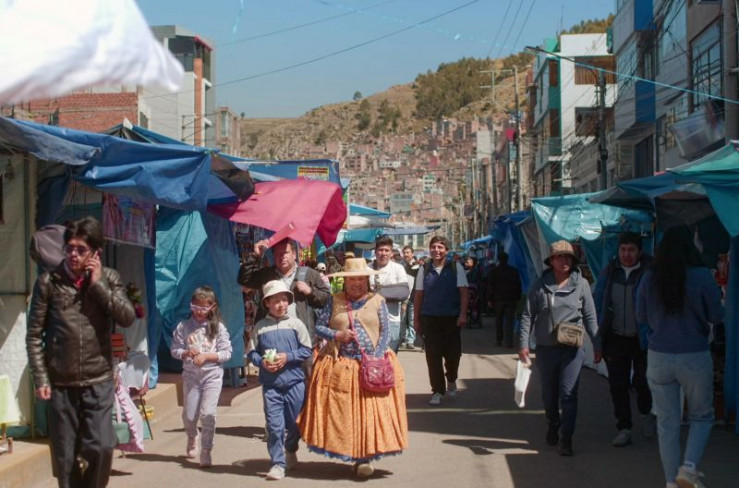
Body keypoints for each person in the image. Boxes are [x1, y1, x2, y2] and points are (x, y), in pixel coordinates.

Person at [27, 217, 135, 488]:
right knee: (65, 458)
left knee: (101, 446)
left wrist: (98, 285)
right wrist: (41, 378)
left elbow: (126, 317)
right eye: (69, 248)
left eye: (81, 249)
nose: (73, 254)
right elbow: (34, 334)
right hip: (61, 383)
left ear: (96, 253)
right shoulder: (49, 282)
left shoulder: (109, 278)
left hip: (98, 381)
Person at [298, 258, 408, 478]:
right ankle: (355, 454)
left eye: (361, 279)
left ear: (367, 280)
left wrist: (376, 358)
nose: (356, 283)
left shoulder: (378, 300)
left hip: (371, 367)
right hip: (342, 366)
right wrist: (337, 334)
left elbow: (385, 331)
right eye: (352, 280)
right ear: (345, 282)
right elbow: (319, 326)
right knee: (347, 415)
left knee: (369, 413)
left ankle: (364, 459)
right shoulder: (335, 300)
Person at [636, 227, 723, 488]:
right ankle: (689, 468)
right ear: (691, 246)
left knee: (667, 423)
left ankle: (671, 482)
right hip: (694, 355)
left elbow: (641, 316)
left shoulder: (649, 277)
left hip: (659, 356)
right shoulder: (701, 275)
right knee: (701, 416)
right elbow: (716, 315)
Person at [518, 240, 600, 457]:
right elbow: (527, 315)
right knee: (549, 394)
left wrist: (598, 345)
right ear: (551, 260)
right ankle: (553, 423)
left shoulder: (581, 284)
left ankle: (567, 438)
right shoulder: (540, 285)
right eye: (559, 257)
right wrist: (523, 344)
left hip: (572, 350)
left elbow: (590, 317)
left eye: (568, 257)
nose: (564, 261)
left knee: (569, 394)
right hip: (546, 349)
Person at [593, 232, 654, 448]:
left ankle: (646, 411)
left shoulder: (649, 272)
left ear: (639, 252)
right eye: (623, 250)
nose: (627, 254)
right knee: (618, 386)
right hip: (615, 338)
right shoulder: (610, 272)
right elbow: (598, 301)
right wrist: (598, 335)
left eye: (631, 250)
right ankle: (624, 428)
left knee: (643, 381)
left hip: (642, 339)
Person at [247, 281, 312, 480]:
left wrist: (288, 357)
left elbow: (307, 350)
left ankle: (290, 448)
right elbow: (252, 352)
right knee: (274, 426)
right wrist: (262, 362)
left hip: (295, 383)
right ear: (267, 303)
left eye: (284, 300)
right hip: (271, 386)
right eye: (275, 301)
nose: (280, 304)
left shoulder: (297, 324)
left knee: (295, 423)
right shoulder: (260, 327)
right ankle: (277, 463)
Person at [238, 238, 331, 374]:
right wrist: (254, 256)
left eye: (285, 253)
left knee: (305, 381)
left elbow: (327, 298)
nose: (282, 257)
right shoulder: (267, 275)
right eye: (278, 254)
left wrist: (310, 292)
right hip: (273, 341)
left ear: (294, 254)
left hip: (302, 342)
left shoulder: (309, 274)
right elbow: (244, 280)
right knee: (275, 379)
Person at [170, 286, 232, 468]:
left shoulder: (218, 328)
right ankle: (192, 436)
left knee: (208, 414)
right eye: (195, 307)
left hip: (212, 376)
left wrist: (207, 357)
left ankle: (206, 450)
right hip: (191, 377)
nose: (198, 311)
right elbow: (174, 349)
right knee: (189, 416)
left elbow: (227, 353)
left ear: (212, 307)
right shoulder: (183, 327)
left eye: (203, 308)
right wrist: (185, 353)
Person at [413, 236, 469, 406]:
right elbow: (419, 295)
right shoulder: (424, 269)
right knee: (433, 356)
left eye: (440, 247)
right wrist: (416, 319)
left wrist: (463, 315)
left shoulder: (455, 267)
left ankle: (451, 378)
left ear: (446, 250)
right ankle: (437, 390)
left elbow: (464, 292)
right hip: (430, 318)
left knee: (453, 355)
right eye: (433, 247)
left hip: (451, 319)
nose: (436, 250)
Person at [370, 236, 411, 353]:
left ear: (391, 253)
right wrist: (391, 292)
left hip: (392, 320)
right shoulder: (367, 269)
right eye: (381, 250)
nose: (383, 253)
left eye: (387, 250)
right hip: (371, 319)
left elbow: (403, 292)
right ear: (375, 252)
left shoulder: (398, 268)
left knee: (390, 357)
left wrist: (376, 293)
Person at [487, 252, 522, 347]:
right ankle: (508, 341)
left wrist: (489, 299)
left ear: (498, 259)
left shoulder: (494, 271)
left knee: (498, 320)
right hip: (511, 299)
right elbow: (518, 285)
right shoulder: (513, 271)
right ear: (507, 259)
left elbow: (490, 286)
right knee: (510, 320)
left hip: (498, 299)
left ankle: (499, 340)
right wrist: (518, 297)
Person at [400, 245, 419, 349]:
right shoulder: (400, 266)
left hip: (414, 297)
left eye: (408, 252)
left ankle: (410, 340)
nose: (406, 254)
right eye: (404, 252)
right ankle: (403, 338)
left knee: (412, 320)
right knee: (402, 319)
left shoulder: (417, 266)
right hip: (403, 297)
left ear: (412, 254)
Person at [464, 256, 482, 328]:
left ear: (473, 263)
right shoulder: (469, 270)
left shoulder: (475, 270)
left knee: (473, 306)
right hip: (469, 292)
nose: (466, 263)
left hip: (473, 292)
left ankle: (474, 320)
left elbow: (473, 282)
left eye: (467, 262)